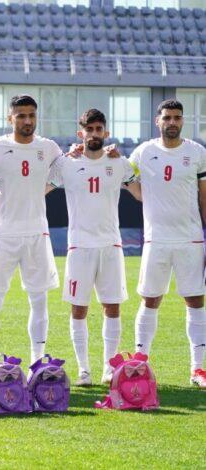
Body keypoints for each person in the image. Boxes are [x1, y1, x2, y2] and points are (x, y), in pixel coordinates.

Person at [48, 108, 140, 386]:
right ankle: (84, 370)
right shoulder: (67, 164)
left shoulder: (120, 164)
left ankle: (109, 368)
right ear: (81, 133)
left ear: (106, 133)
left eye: (99, 129)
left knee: (112, 308)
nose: (94, 134)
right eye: (89, 129)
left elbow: (141, 193)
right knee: (78, 309)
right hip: (79, 247)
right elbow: (38, 188)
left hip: (111, 246)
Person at [0, 95, 62, 365]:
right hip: (3, 234)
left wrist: (37, 193)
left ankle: (37, 360)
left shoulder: (49, 148)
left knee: (39, 299)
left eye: (31, 115)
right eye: (21, 115)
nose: (27, 120)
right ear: (10, 118)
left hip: (37, 234)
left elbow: (63, 172)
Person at [130, 99, 206, 388]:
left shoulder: (197, 153)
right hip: (156, 239)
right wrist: (143, 196)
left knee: (195, 300)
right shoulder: (143, 152)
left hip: (190, 239)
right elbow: (124, 175)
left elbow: (204, 196)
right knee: (150, 299)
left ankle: (197, 369)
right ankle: (140, 362)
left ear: (182, 121)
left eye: (177, 117)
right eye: (167, 118)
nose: (172, 122)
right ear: (157, 121)